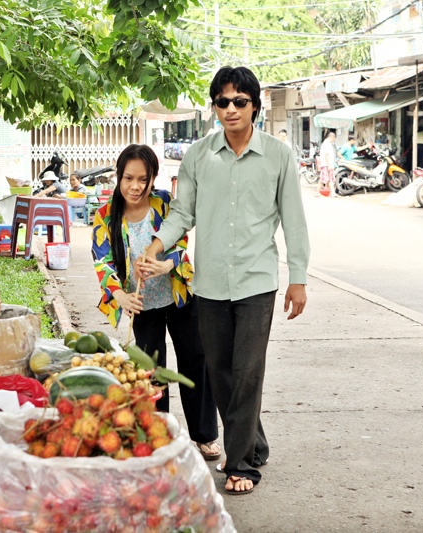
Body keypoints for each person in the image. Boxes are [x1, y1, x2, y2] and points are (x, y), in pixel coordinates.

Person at [144, 66, 309, 495]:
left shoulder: (278, 155)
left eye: (240, 101)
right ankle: (254, 443)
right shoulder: (199, 155)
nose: (231, 109)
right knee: (220, 374)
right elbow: (183, 213)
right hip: (210, 283)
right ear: (214, 106)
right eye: (223, 101)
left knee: (247, 370)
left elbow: (293, 218)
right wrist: (157, 245)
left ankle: (242, 466)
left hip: (258, 281)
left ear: (254, 104)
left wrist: (299, 277)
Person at [91, 143, 221, 462]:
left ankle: (204, 436)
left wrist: (167, 264)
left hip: (179, 296)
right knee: (152, 372)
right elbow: (102, 261)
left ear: (153, 180)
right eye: (128, 178)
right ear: (118, 178)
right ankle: (159, 436)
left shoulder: (163, 202)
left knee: (195, 361)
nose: (135, 187)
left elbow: (180, 239)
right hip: (141, 305)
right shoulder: (105, 215)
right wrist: (120, 295)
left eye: (143, 180)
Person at [318, 130, 338, 197]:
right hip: (326, 165)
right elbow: (326, 155)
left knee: (330, 179)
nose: (334, 140)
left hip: (328, 164)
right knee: (323, 179)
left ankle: (332, 193)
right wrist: (329, 165)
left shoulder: (327, 143)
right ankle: (317, 192)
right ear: (332, 137)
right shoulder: (327, 143)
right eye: (334, 138)